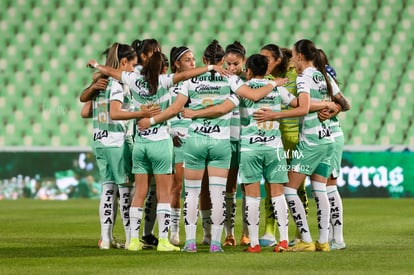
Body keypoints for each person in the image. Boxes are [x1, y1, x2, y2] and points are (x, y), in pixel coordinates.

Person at [139, 40, 278, 253]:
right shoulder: (230, 79)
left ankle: (190, 242)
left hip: (194, 141)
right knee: (218, 195)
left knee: (192, 194)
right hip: (220, 143)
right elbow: (255, 95)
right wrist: (275, 83)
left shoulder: (191, 79)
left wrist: (151, 121)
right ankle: (215, 243)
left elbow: (175, 109)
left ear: (204, 60)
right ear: (222, 61)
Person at [87, 50, 227, 252]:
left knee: (139, 194)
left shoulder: (133, 79)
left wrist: (97, 65)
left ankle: (133, 241)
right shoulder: (164, 81)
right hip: (161, 142)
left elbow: (112, 72)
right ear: (162, 67)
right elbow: (187, 75)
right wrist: (212, 67)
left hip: (140, 143)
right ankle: (163, 241)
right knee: (163, 194)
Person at [254, 39, 340, 252]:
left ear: (300, 56)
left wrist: (275, 114)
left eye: (294, 55)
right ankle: (323, 241)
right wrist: (330, 106)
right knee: (320, 189)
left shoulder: (304, 78)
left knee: (288, 189)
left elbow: (302, 108)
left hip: (310, 141)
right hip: (327, 138)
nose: (292, 59)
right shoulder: (323, 75)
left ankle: (306, 239)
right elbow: (340, 103)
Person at [80, 43, 147, 249]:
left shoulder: (101, 81)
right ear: (124, 62)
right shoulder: (119, 83)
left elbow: (84, 110)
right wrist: (141, 113)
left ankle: (106, 239)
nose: (134, 69)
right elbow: (116, 112)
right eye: (133, 64)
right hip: (117, 141)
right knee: (126, 191)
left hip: (99, 140)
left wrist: (92, 87)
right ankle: (129, 239)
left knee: (108, 189)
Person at [258, 44, 309, 247]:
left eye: (267, 58)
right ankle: (270, 231)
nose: (263, 62)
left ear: (278, 60)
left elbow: (304, 103)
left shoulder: (296, 75)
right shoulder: (263, 79)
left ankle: (300, 231)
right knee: (272, 184)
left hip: (296, 138)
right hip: (273, 138)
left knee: (297, 187)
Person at [317, 49, 350, 250]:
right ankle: (328, 236)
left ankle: (337, 238)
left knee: (329, 187)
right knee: (323, 188)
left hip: (331, 135)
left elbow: (344, 103)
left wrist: (332, 110)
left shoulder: (325, 75)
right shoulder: (319, 76)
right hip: (322, 136)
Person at [130, 38, 162, 248]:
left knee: (145, 191)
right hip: (148, 138)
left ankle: (140, 236)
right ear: (143, 56)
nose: (158, 55)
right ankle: (135, 234)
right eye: (154, 52)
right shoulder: (139, 77)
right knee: (146, 190)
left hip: (140, 139)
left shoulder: (134, 78)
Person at [167, 46, 196, 245]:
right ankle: (174, 232)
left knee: (198, 189)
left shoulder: (198, 83)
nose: (193, 63)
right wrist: (170, 132)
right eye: (187, 60)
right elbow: (159, 109)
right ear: (176, 63)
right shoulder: (167, 83)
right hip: (175, 140)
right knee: (176, 187)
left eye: (193, 59)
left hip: (195, 138)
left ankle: (208, 233)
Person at [221, 41, 248, 247]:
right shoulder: (221, 81)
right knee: (228, 188)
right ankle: (229, 234)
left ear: (244, 62)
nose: (231, 68)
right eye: (228, 64)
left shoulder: (250, 81)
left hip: (248, 139)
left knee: (248, 187)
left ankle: (247, 232)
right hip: (227, 138)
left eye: (236, 64)